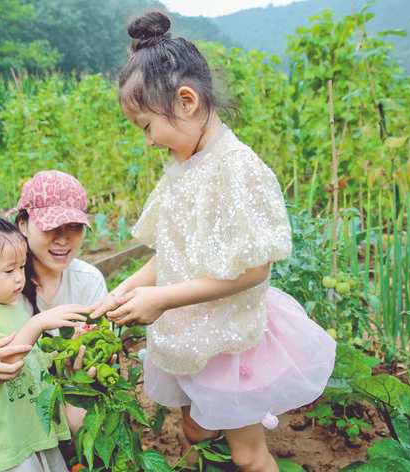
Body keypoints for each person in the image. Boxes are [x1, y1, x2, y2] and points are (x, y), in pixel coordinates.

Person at [91, 12, 336, 472]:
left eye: (147, 126)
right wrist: (122, 293)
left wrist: (161, 298)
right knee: (195, 430)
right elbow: (173, 253)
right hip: (186, 330)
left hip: (227, 337)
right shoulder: (184, 166)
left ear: (186, 101)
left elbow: (253, 270)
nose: (148, 141)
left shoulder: (237, 168)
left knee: (247, 455)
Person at [0, 171, 108, 471]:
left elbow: (97, 349)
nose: (63, 239)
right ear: (23, 224)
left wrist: (84, 364)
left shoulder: (86, 281)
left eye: (75, 227)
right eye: (52, 226)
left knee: (84, 420)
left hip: (34, 397)